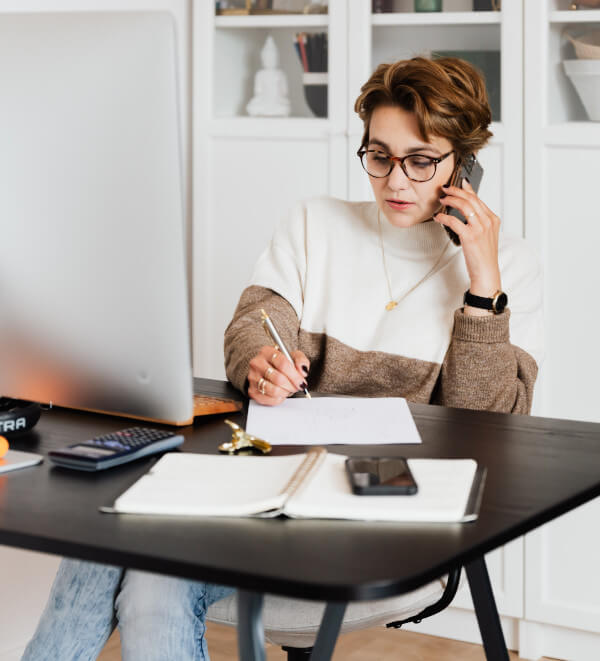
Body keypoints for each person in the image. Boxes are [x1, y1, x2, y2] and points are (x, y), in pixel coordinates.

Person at [22, 56, 543, 661]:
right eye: (379, 157)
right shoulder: (314, 223)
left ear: (466, 163)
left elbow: (490, 430)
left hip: (396, 524)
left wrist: (482, 286)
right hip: (266, 492)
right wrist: (262, 359)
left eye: (422, 161)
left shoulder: (510, 268)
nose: (396, 182)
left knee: (143, 568)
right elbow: (254, 323)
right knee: (117, 533)